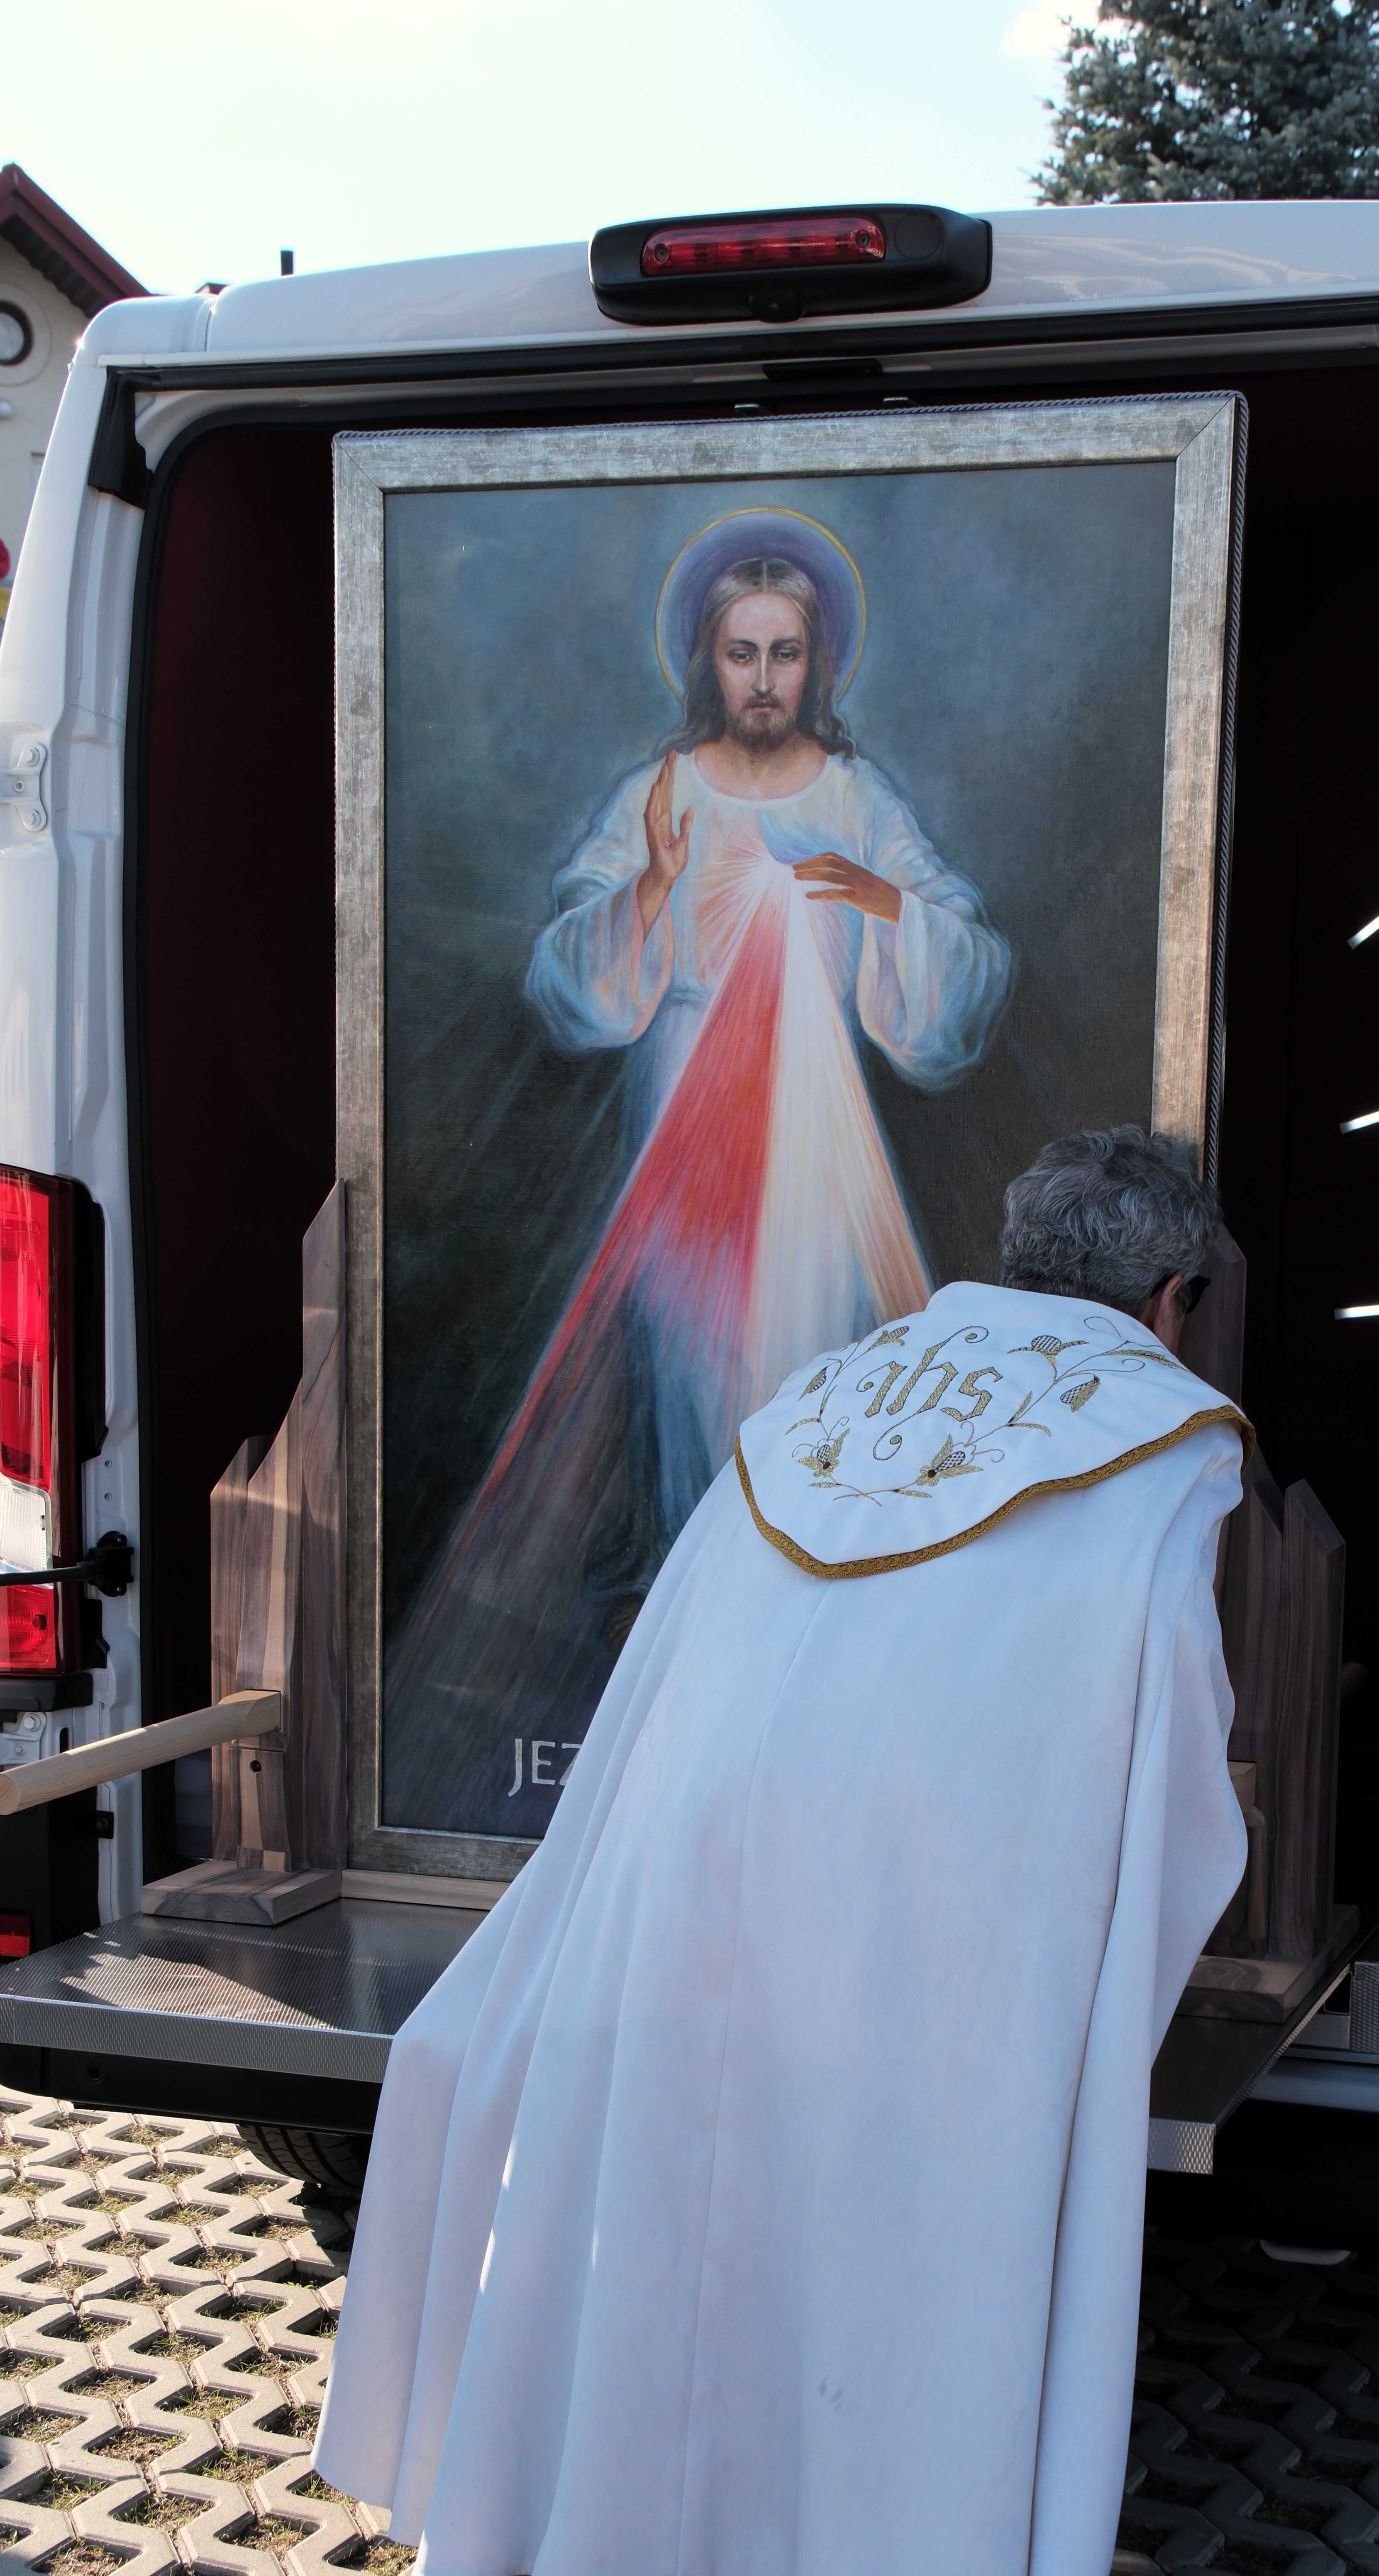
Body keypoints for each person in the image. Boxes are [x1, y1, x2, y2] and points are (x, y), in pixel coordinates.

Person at [321, 1126, 1250, 2576]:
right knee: (863, 2283)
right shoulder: (1162, 1443)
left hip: (682, 1894)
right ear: (1172, 1295)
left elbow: (674, 1660)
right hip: (921, 1929)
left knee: (656, 2261)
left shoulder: (828, 1395)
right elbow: (1168, 1752)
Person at [382, 523, 1011, 1828]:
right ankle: (706, 1691)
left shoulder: (860, 799)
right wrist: (653, 885)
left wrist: (884, 908)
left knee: (818, 1383)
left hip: (820, 1140)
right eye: (741, 654)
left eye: (786, 654)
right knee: (689, 1388)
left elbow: (959, 961)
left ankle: (810, 1687)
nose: (764, 680)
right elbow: (569, 980)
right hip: (686, 1131)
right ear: (705, 661)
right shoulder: (658, 791)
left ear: (819, 662)